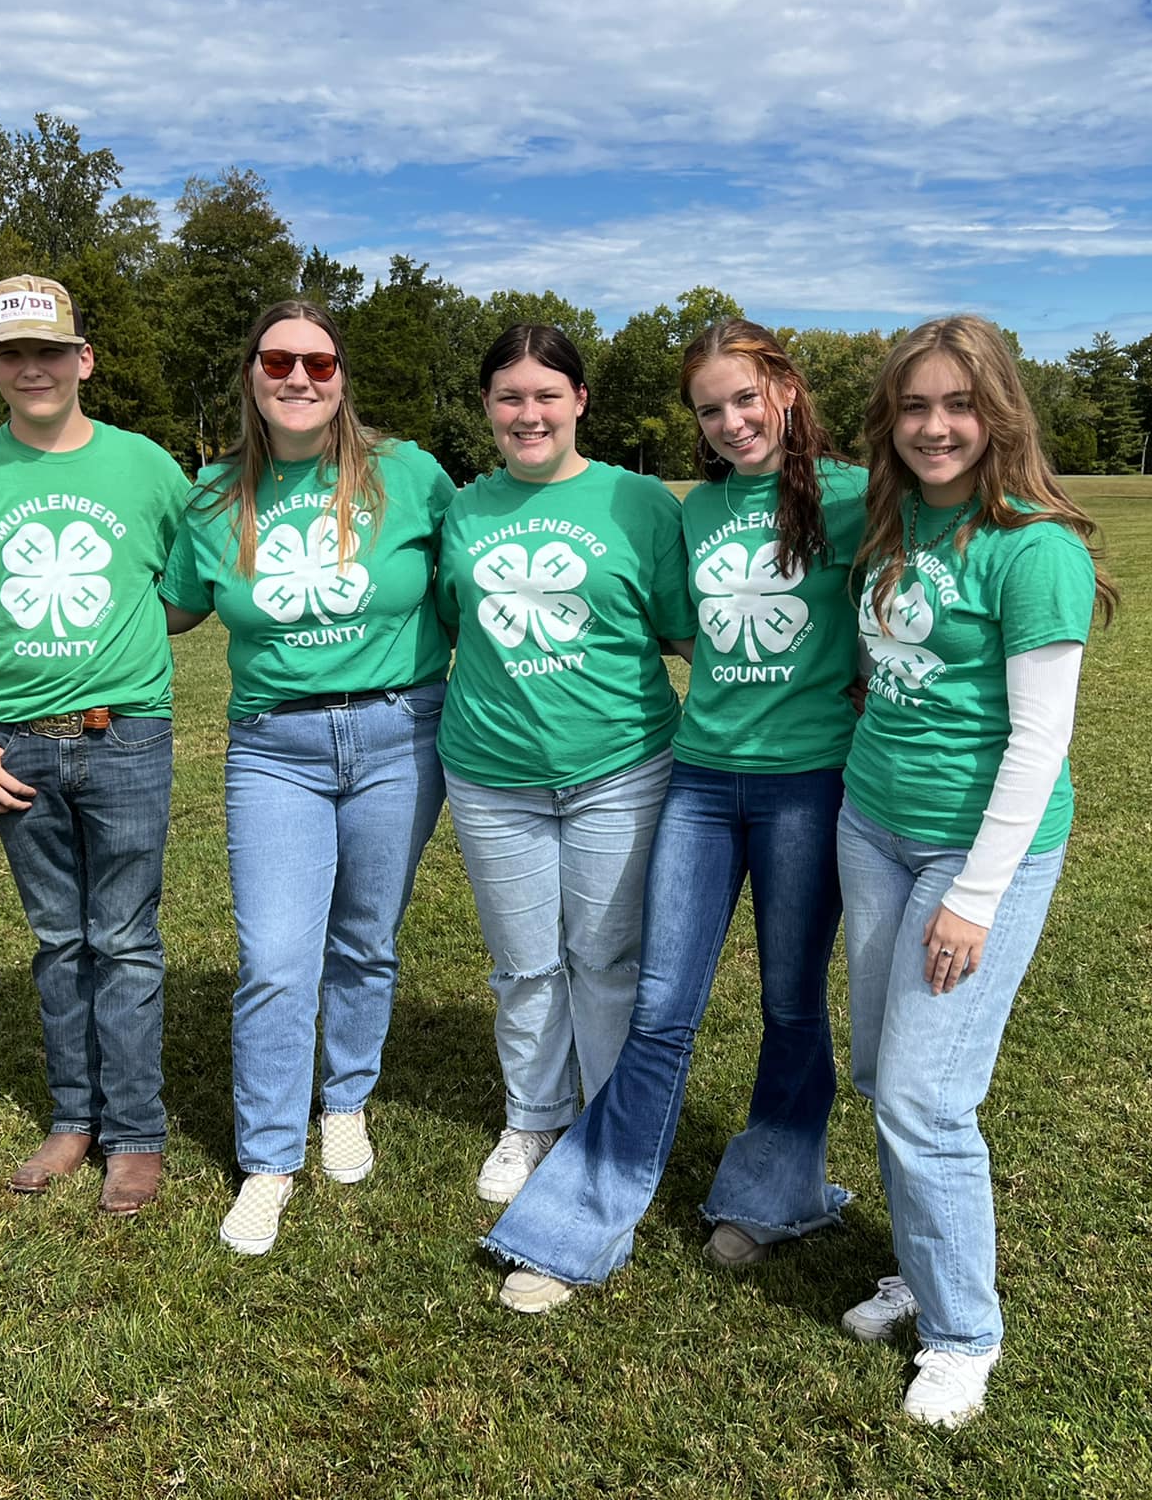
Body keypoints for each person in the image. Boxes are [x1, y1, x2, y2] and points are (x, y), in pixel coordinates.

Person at [482, 320, 865, 1311]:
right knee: (659, 1006)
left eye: (745, 398)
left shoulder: (859, 497)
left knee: (789, 1005)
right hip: (697, 781)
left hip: (805, 785)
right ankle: (575, 1222)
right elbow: (683, 631)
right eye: (709, 408)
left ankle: (771, 1195)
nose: (732, 422)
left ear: (781, 388)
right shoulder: (693, 510)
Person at [837, 315, 1117, 1428]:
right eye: (913, 406)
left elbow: (1038, 741)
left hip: (975, 849)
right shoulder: (891, 516)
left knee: (924, 1095)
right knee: (876, 1069)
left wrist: (973, 898)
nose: (935, 426)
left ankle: (961, 1334)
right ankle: (917, 1268)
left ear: (997, 412)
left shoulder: (1032, 546)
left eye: (957, 405)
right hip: (871, 825)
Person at [160, 300, 455, 1255]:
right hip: (273, 751)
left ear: (341, 377)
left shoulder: (409, 475)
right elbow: (164, 611)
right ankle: (268, 1159)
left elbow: (478, 577)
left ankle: (347, 1102)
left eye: (318, 364)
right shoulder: (212, 498)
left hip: (400, 732)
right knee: (278, 959)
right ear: (251, 373)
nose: (299, 379)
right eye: (278, 361)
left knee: (367, 938)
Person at [0, 274, 188, 1215]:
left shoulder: (146, 467)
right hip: (13, 747)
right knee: (60, 939)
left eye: (50, 352)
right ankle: (74, 1119)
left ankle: (136, 1133)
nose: (34, 369)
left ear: (83, 361)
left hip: (127, 738)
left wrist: (134, 633)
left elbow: (192, 584)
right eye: (13, 354)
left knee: (126, 939)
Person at [436, 325, 698, 1206]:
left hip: (620, 767)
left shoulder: (640, 503)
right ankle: (533, 1115)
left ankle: (607, 1120)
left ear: (580, 401)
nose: (528, 413)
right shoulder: (463, 509)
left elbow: (680, 628)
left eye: (547, 394)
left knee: (606, 959)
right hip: (490, 773)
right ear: (487, 408)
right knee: (522, 965)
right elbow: (446, 620)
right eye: (509, 396)